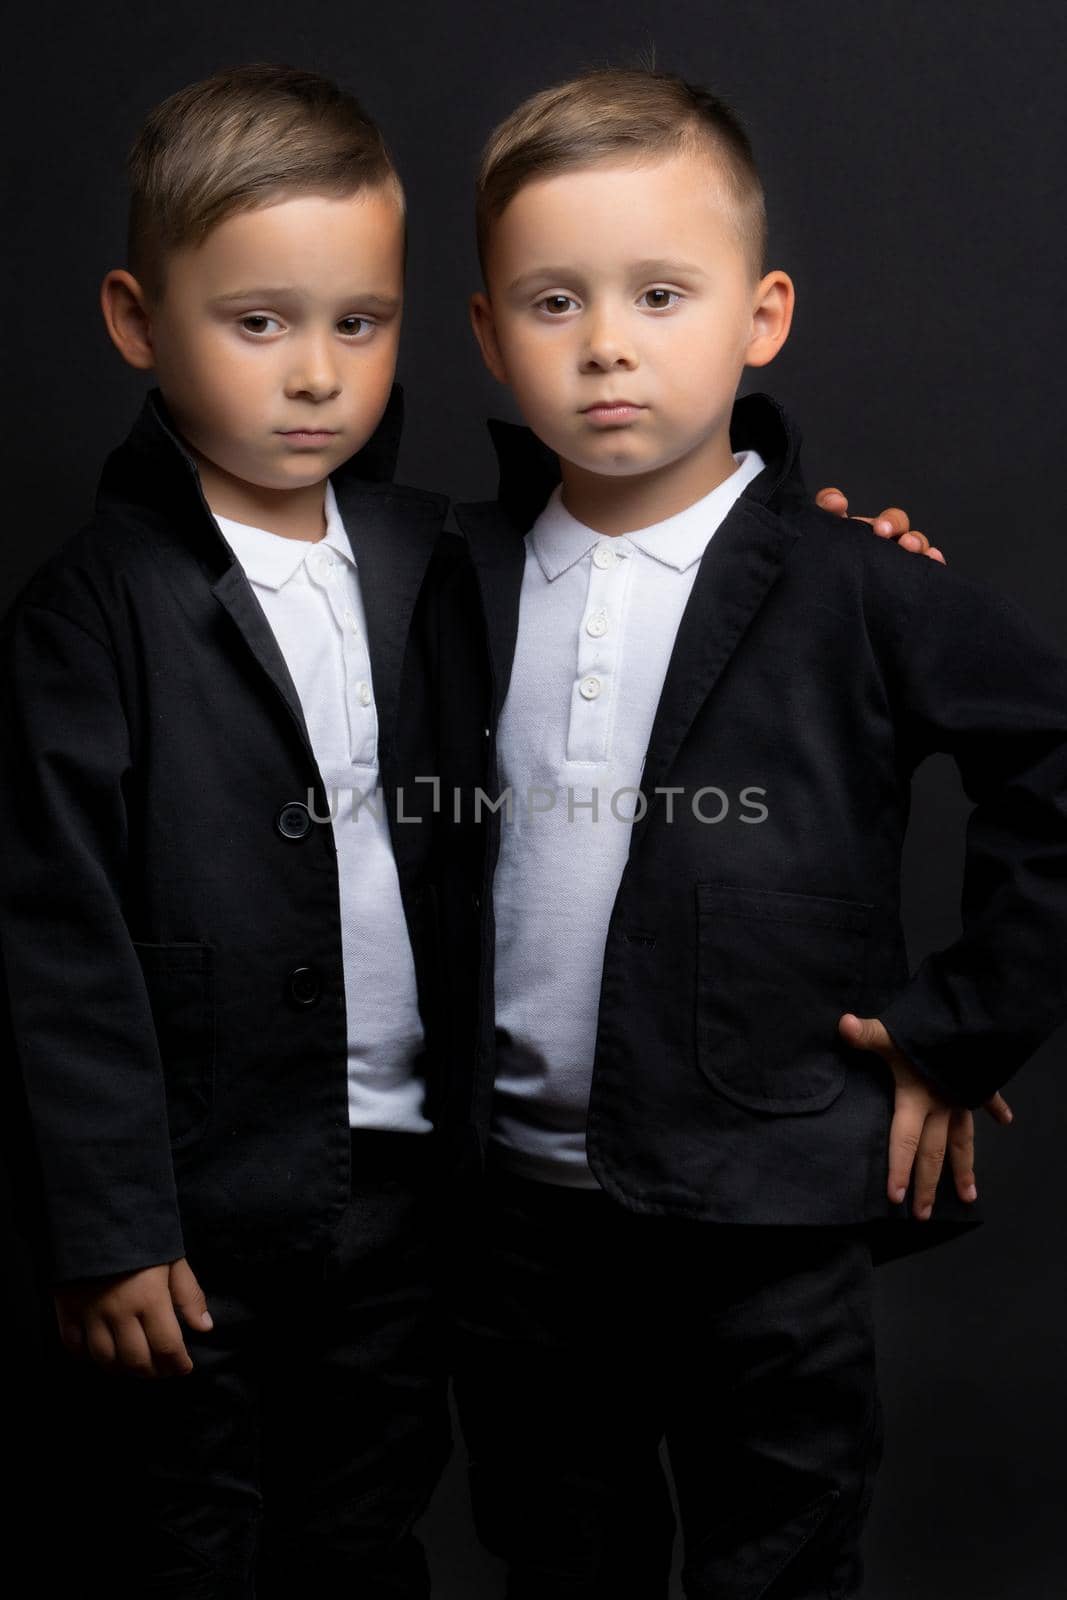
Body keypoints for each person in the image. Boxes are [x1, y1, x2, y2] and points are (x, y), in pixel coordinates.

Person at [442, 66, 1065, 1598]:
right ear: (485, 337)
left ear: (760, 317)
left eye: (663, 294)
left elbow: (1053, 764)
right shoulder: (441, 576)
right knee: (557, 1560)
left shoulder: (849, 578)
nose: (606, 345)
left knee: (774, 1565)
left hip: (764, 1210)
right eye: (552, 302)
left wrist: (960, 1029)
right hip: (517, 1217)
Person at [0, 63, 456, 1598]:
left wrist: (809, 520)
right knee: (187, 1540)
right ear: (141, 321)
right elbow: (55, 939)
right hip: (197, 1212)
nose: (316, 373)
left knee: (368, 1526)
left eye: (360, 323)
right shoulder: (94, 608)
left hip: (399, 1186)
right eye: (257, 324)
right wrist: (110, 1228)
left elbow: (648, 531)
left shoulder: (434, 553)